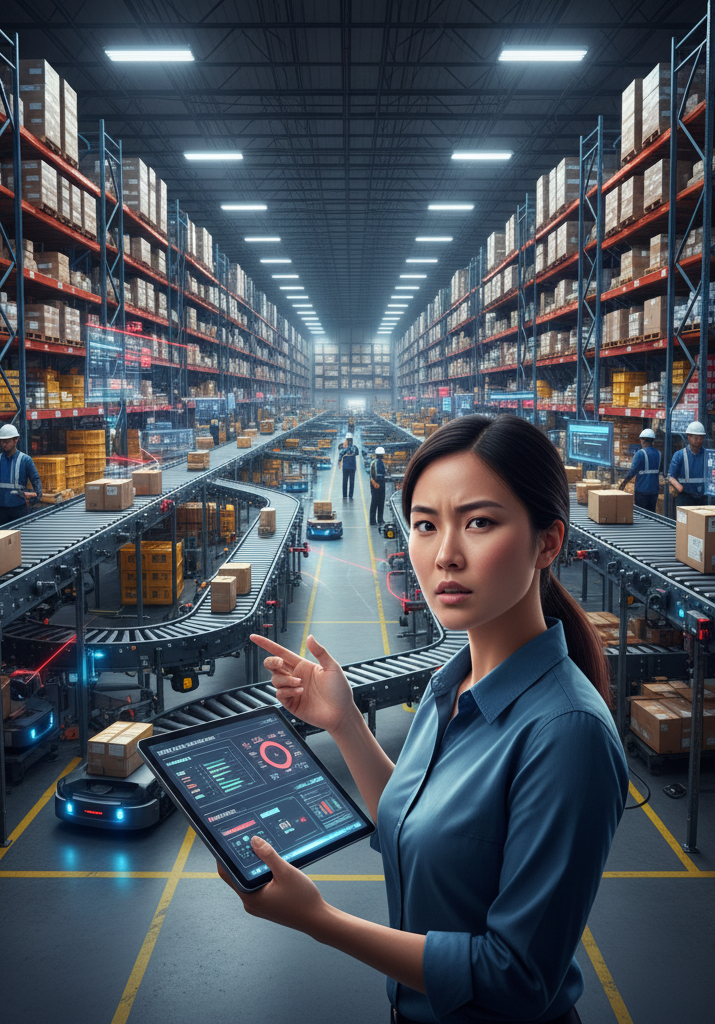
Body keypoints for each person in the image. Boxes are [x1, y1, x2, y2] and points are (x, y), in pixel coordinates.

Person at [236, 415, 627, 1024]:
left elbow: (516, 978)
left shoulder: (566, 733)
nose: (445, 554)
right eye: (425, 524)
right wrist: (345, 724)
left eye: (479, 523)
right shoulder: (453, 684)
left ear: (547, 542)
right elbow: (413, 817)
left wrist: (320, 921)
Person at [0, 423, 42, 526]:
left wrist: (33, 496)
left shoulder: (26, 460)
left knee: (19, 536)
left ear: (16, 440)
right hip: (0, 509)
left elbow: (36, 482)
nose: (4, 445)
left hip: (19, 508)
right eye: (2, 442)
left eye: (7, 442)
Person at [667, 421, 708, 507]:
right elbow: (671, 476)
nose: (699, 441)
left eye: (701, 438)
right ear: (689, 437)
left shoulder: (707, 455)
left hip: (703, 498)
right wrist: (678, 486)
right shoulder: (679, 455)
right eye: (696, 438)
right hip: (685, 497)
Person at [621, 427, 662, 512]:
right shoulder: (658, 453)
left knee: (641, 514)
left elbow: (632, 471)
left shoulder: (640, 453)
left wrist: (623, 483)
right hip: (654, 490)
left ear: (643, 441)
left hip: (642, 490)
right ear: (652, 441)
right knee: (651, 514)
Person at [369, 446, 387, 526]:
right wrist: (376, 484)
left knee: (376, 503)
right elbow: (379, 475)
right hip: (378, 484)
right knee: (378, 503)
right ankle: (378, 520)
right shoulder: (378, 463)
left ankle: (374, 520)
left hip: (376, 484)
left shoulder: (373, 462)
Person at [339, 433, 359, 500]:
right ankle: (347, 495)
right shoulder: (344, 447)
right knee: (348, 482)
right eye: (348, 440)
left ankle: (348, 495)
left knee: (349, 482)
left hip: (349, 467)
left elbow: (357, 452)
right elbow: (340, 453)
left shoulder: (354, 447)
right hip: (349, 467)